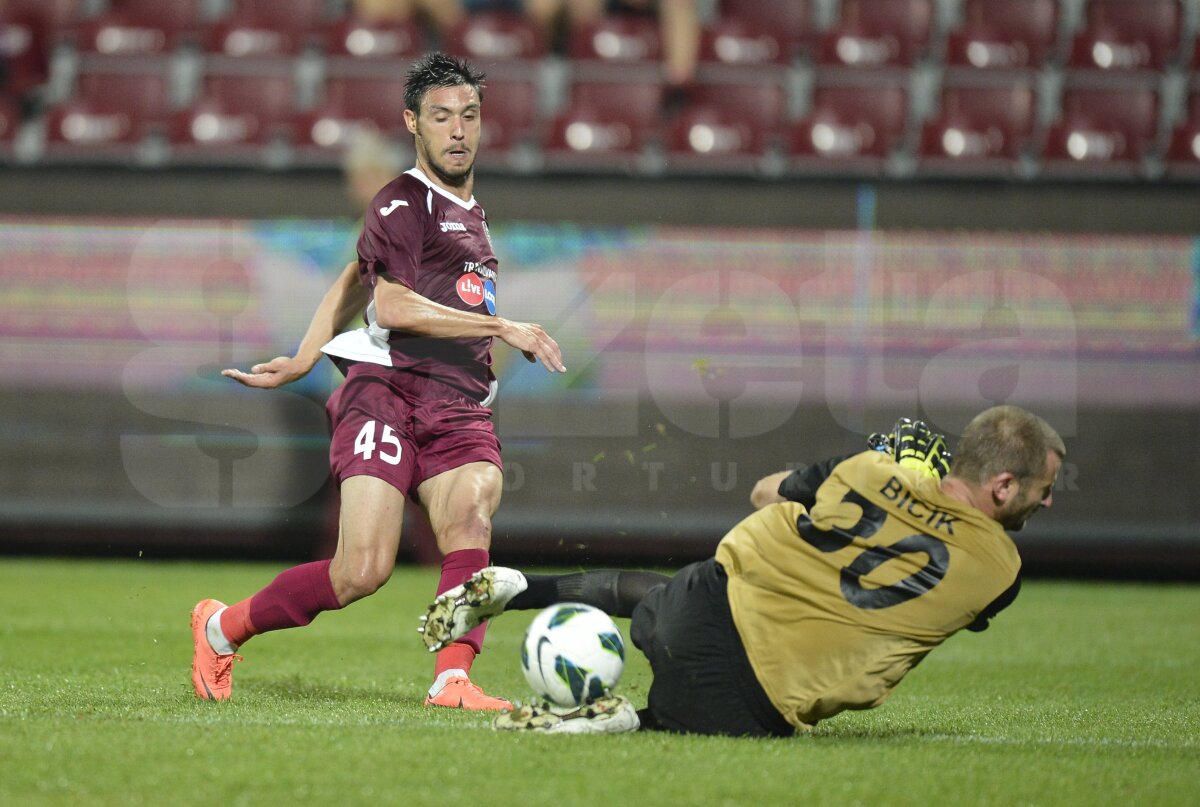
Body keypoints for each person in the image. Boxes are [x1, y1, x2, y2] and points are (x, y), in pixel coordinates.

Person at [191, 52, 566, 711]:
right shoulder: (401, 198)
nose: (457, 130)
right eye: (442, 117)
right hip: (385, 395)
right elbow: (387, 303)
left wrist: (307, 352)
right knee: (362, 570)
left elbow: (350, 274)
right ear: (413, 124)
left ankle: (453, 678)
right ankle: (222, 626)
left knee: (473, 510)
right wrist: (502, 326)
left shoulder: (469, 214)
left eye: (469, 116)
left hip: (458, 406)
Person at [420, 405, 1064, 734]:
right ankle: (622, 720)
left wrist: (890, 477)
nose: (1049, 500)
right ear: (1003, 487)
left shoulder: (870, 470)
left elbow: (763, 493)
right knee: (678, 720)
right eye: (1043, 488)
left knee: (683, 588)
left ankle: (519, 585)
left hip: (700, 602)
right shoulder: (1000, 571)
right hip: (752, 695)